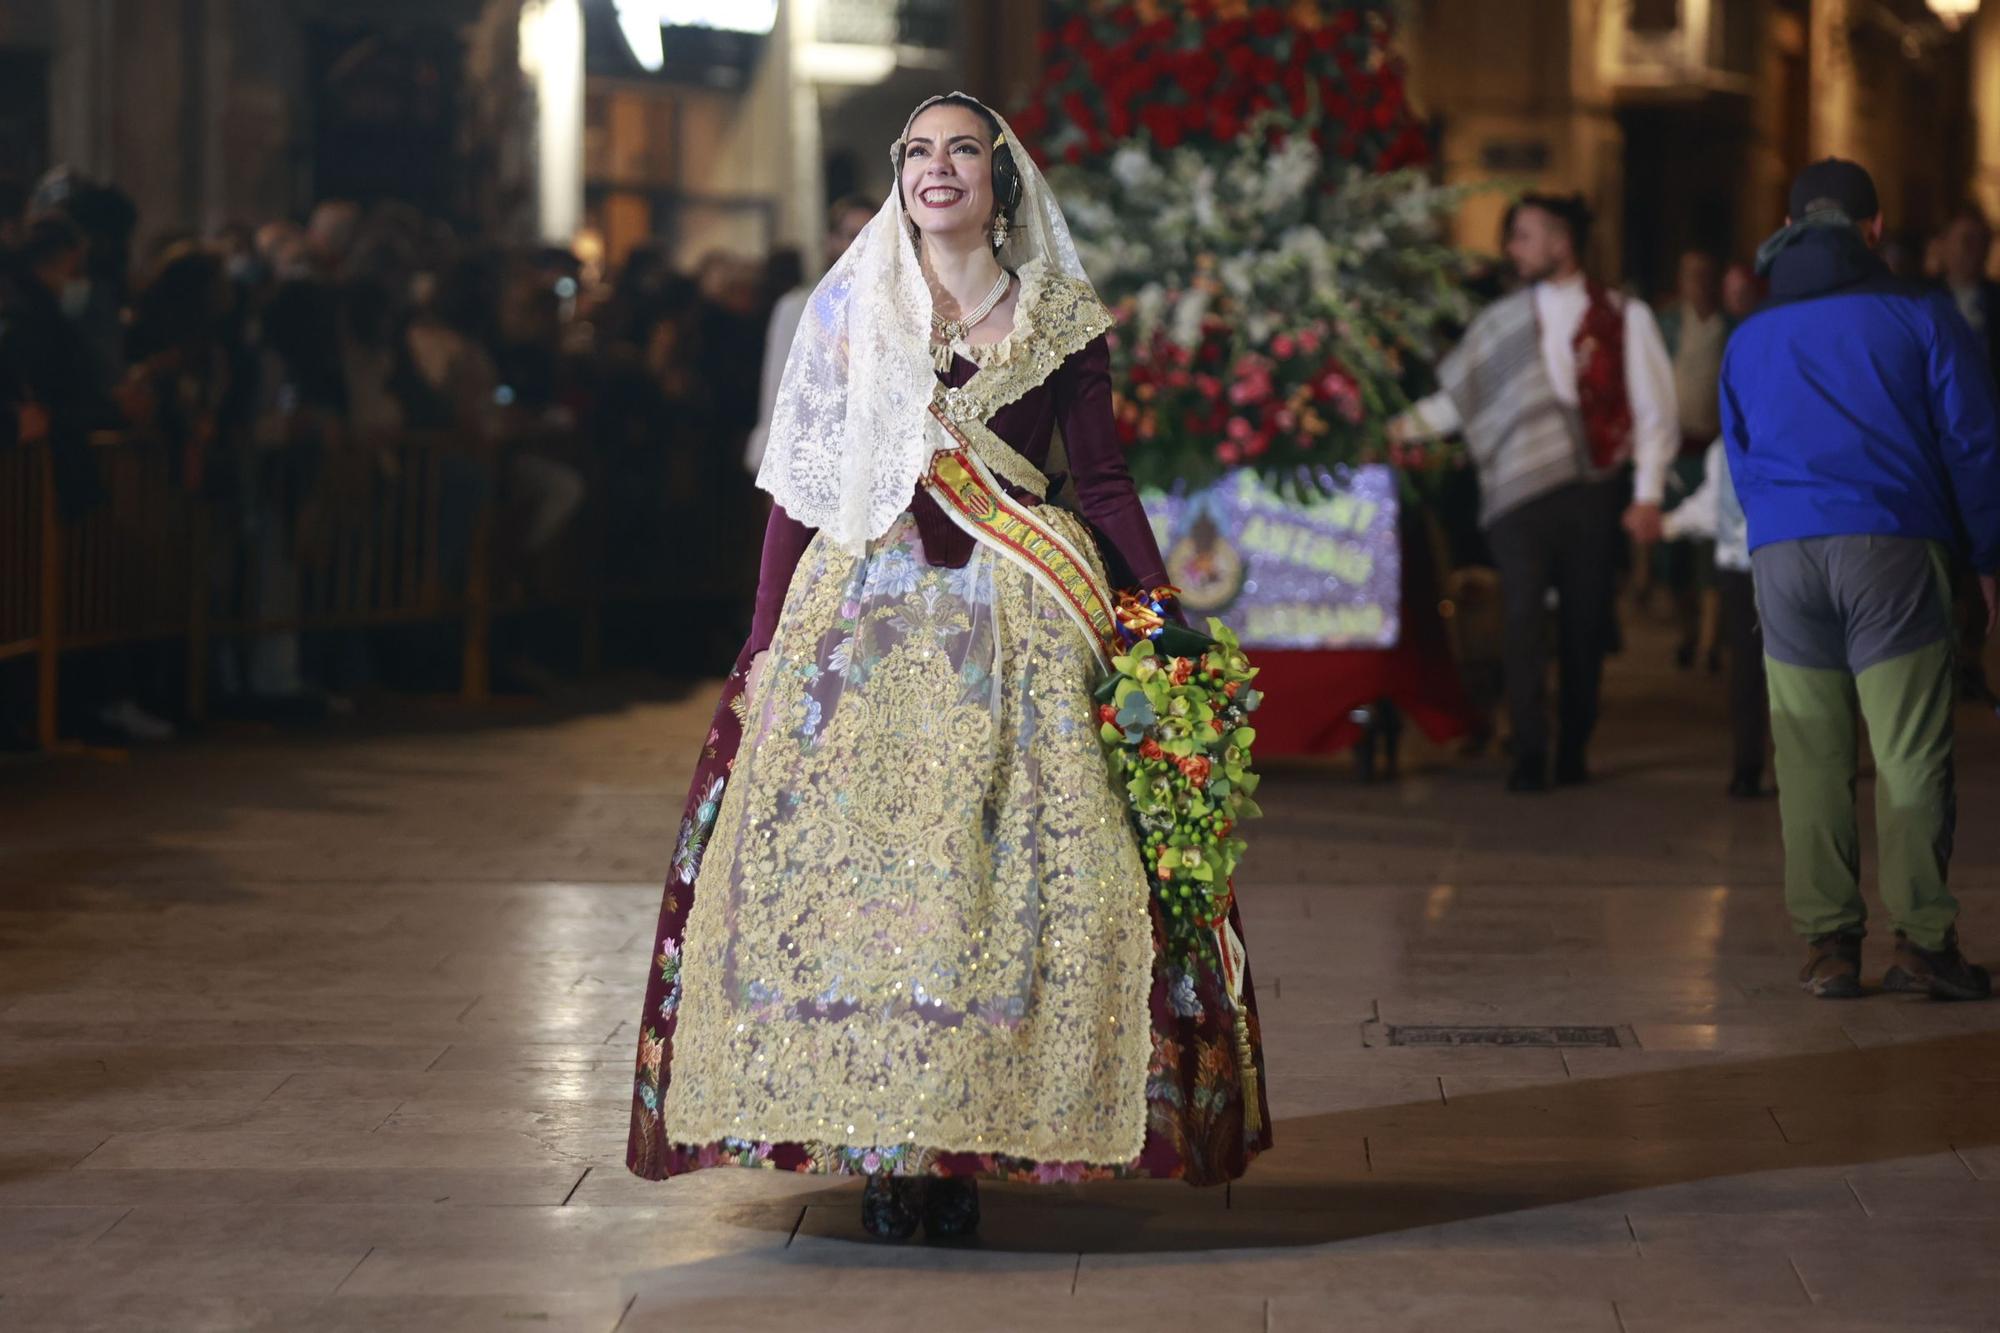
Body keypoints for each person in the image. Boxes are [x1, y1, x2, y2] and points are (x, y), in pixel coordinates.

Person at [624, 92, 1271, 1240]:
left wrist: (1157, 615)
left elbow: (1102, 482)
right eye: (917, 152)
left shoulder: (1060, 318)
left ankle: (959, 1144)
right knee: (868, 881)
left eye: (960, 151)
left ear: (998, 179)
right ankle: (882, 1148)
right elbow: (802, 488)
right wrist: (767, 644)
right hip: (858, 619)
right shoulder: (855, 303)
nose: (937, 169)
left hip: (1015, 620)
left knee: (991, 885)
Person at [1722, 159, 2000, 1002]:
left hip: (1783, 555)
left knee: (1808, 750)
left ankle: (1828, 945)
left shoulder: (1749, 335)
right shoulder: (1920, 314)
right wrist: (1986, 560)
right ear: (1874, 229)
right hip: (1889, 547)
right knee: (1910, 746)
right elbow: (1974, 443)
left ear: (1792, 225)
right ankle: (1922, 940)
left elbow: (1741, 457)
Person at [1392, 193, 1677, 791]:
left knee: (1584, 624)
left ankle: (1573, 746)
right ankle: (1527, 749)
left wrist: (1647, 492)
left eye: (1523, 236)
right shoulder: (1502, 319)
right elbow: (1458, 400)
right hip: (1519, 495)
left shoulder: (1625, 315)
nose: (1512, 250)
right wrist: (1397, 429)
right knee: (1519, 618)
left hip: (1592, 490)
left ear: (1560, 241)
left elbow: (1654, 410)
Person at [1660, 438, 1765, 798]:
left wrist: (1670, 524)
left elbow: (1712, 509)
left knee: (1748, 672)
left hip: (1741, 567)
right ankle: (1819, 768)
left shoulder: (1726, 447)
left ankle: (1747, 770)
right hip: (1793, 564)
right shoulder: (1802, 428)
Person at [744, 195, 874, 476]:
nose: (863, 244)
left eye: (872, 233)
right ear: (832, 241)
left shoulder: (904, 307)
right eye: (853, 235)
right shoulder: (799, 307)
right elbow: (778, 390)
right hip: (813, 460)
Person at [1655, 250, 1733, 671]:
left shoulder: (1732, 329)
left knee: (1711, 551)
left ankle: (1708, 643)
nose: (1699, 283)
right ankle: (1689, 632)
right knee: (1675, 553)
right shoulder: (1667, 326)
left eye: (1706, 275)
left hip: (1714, 454)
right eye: (1691, 275)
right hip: (1675, 454)